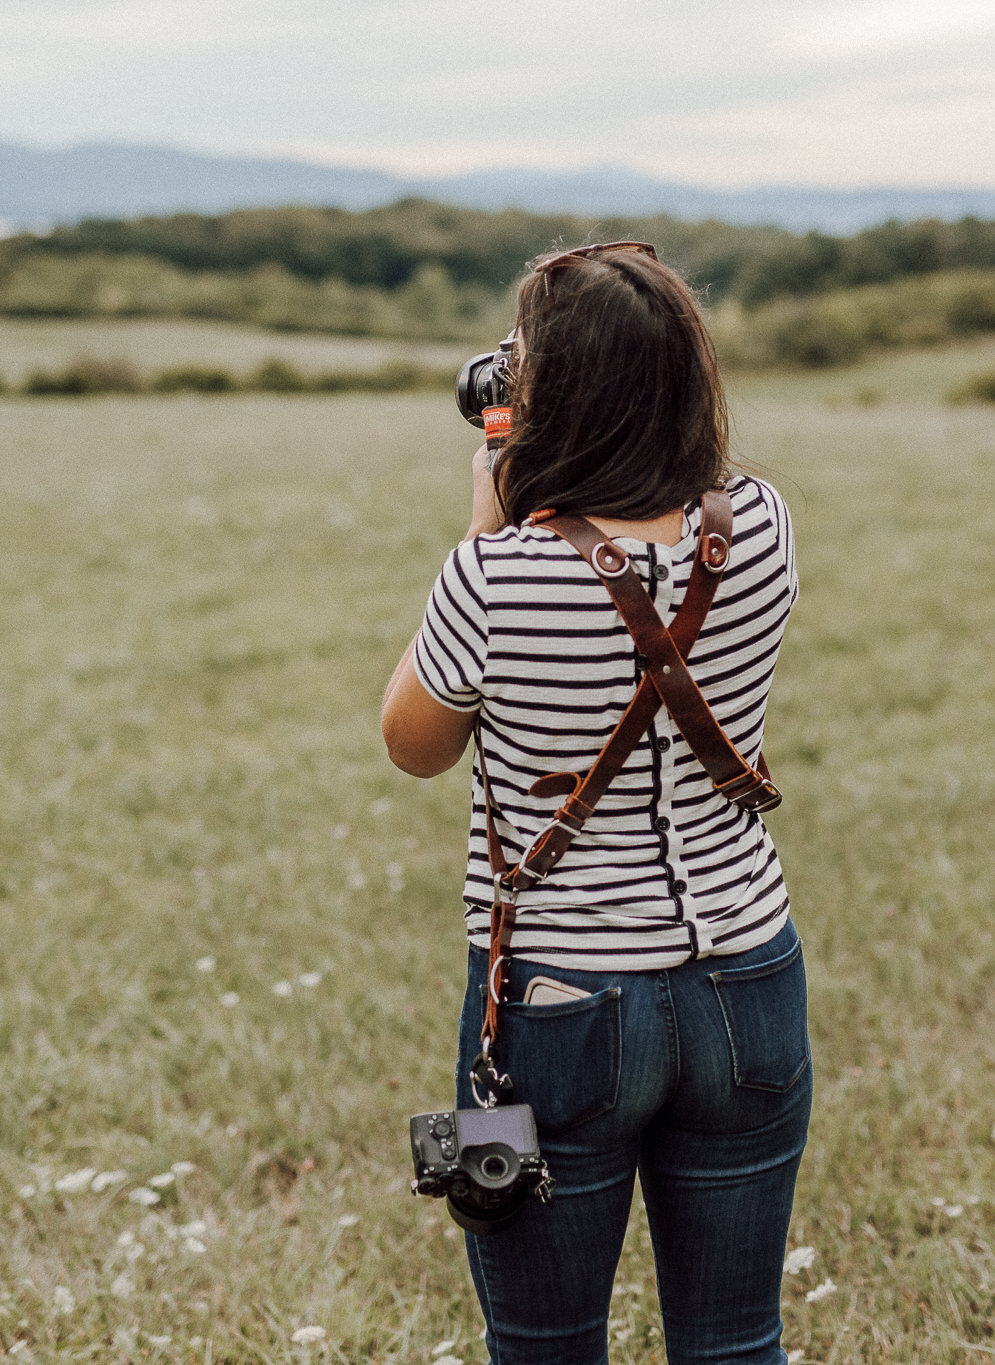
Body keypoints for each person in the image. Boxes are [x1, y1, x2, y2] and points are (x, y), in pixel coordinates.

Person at [381, 243, 808, 1364]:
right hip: (748, 974)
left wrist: (488, 517)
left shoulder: (495, 575)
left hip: (558, 998)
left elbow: (412, 746)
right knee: (733, 1344)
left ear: (549, 398)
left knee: (545, 1345)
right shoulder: (760, 526)